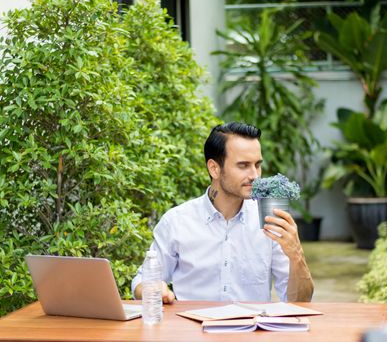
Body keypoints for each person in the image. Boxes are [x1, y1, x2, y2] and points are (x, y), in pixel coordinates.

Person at [131, 122, 313, 303]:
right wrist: (153, 288)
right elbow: (142, 281)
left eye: (257, 165)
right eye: (243, 165)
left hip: (252, 330)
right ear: (214, 168)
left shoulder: (269, 221)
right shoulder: (177, 222)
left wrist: (297, 255)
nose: (255, 175)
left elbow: (300, 301)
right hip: (192, 329)